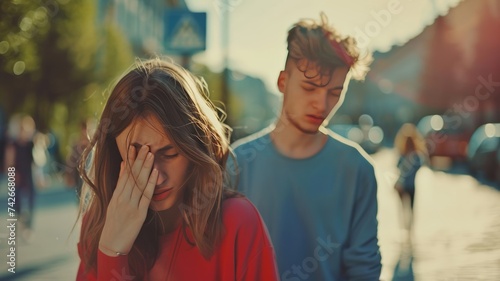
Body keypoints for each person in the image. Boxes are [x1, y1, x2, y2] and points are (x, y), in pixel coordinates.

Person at [76, 59, 279, 281]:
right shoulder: (98, 224)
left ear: (196, 144)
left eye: (170, 153)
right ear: (116, 152)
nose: (157, 176)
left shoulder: (238, 223)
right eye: (138, 157)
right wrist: (112, 250)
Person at [230, 13, 381, 280]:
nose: (322, 105)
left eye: (334, 92)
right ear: (282, 82)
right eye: (310, 88)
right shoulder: (235, 164)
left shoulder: (357, 169)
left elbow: (364, 267)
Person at [4, 114, 36, 241]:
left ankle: (28, 226)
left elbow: (36, 162)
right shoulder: (14, 145)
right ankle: (20, 220)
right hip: (17, 175)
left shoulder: (31, 144)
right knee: (17, 202)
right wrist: (11, 175)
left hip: (29, 175)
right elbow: (9, 161)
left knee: (31, 200)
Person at [393, 123, 427, 220]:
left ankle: (405, 222)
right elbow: (420, 165)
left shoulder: (402, 155)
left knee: (403, 207)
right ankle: (410, 224)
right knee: (411, 207)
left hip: (403, 185)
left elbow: (397, 167)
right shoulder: (416, 157)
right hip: (411, 185)